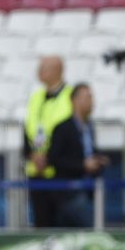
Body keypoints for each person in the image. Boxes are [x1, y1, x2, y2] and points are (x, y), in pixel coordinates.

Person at [47, 83, 109, 226]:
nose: (91, 102)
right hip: (69, 193)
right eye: (87, 97)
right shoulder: (63, 128)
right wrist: (82, 165)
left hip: (88, 192)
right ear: (75, 100)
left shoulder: (89, 127)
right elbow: (54, 159)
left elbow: (88, 151)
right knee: (93, 224)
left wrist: (97, 159)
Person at [23, 56, 74, 227]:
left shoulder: (70, 96)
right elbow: (28, 127)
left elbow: (69, 133)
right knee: (40, 223)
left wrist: (49, 158)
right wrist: (32, 155)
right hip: (36, 173)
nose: (39, 71)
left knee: (62, 222)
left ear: (58, 70)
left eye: (44, 67)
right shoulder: (36, 97)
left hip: (60, 172)